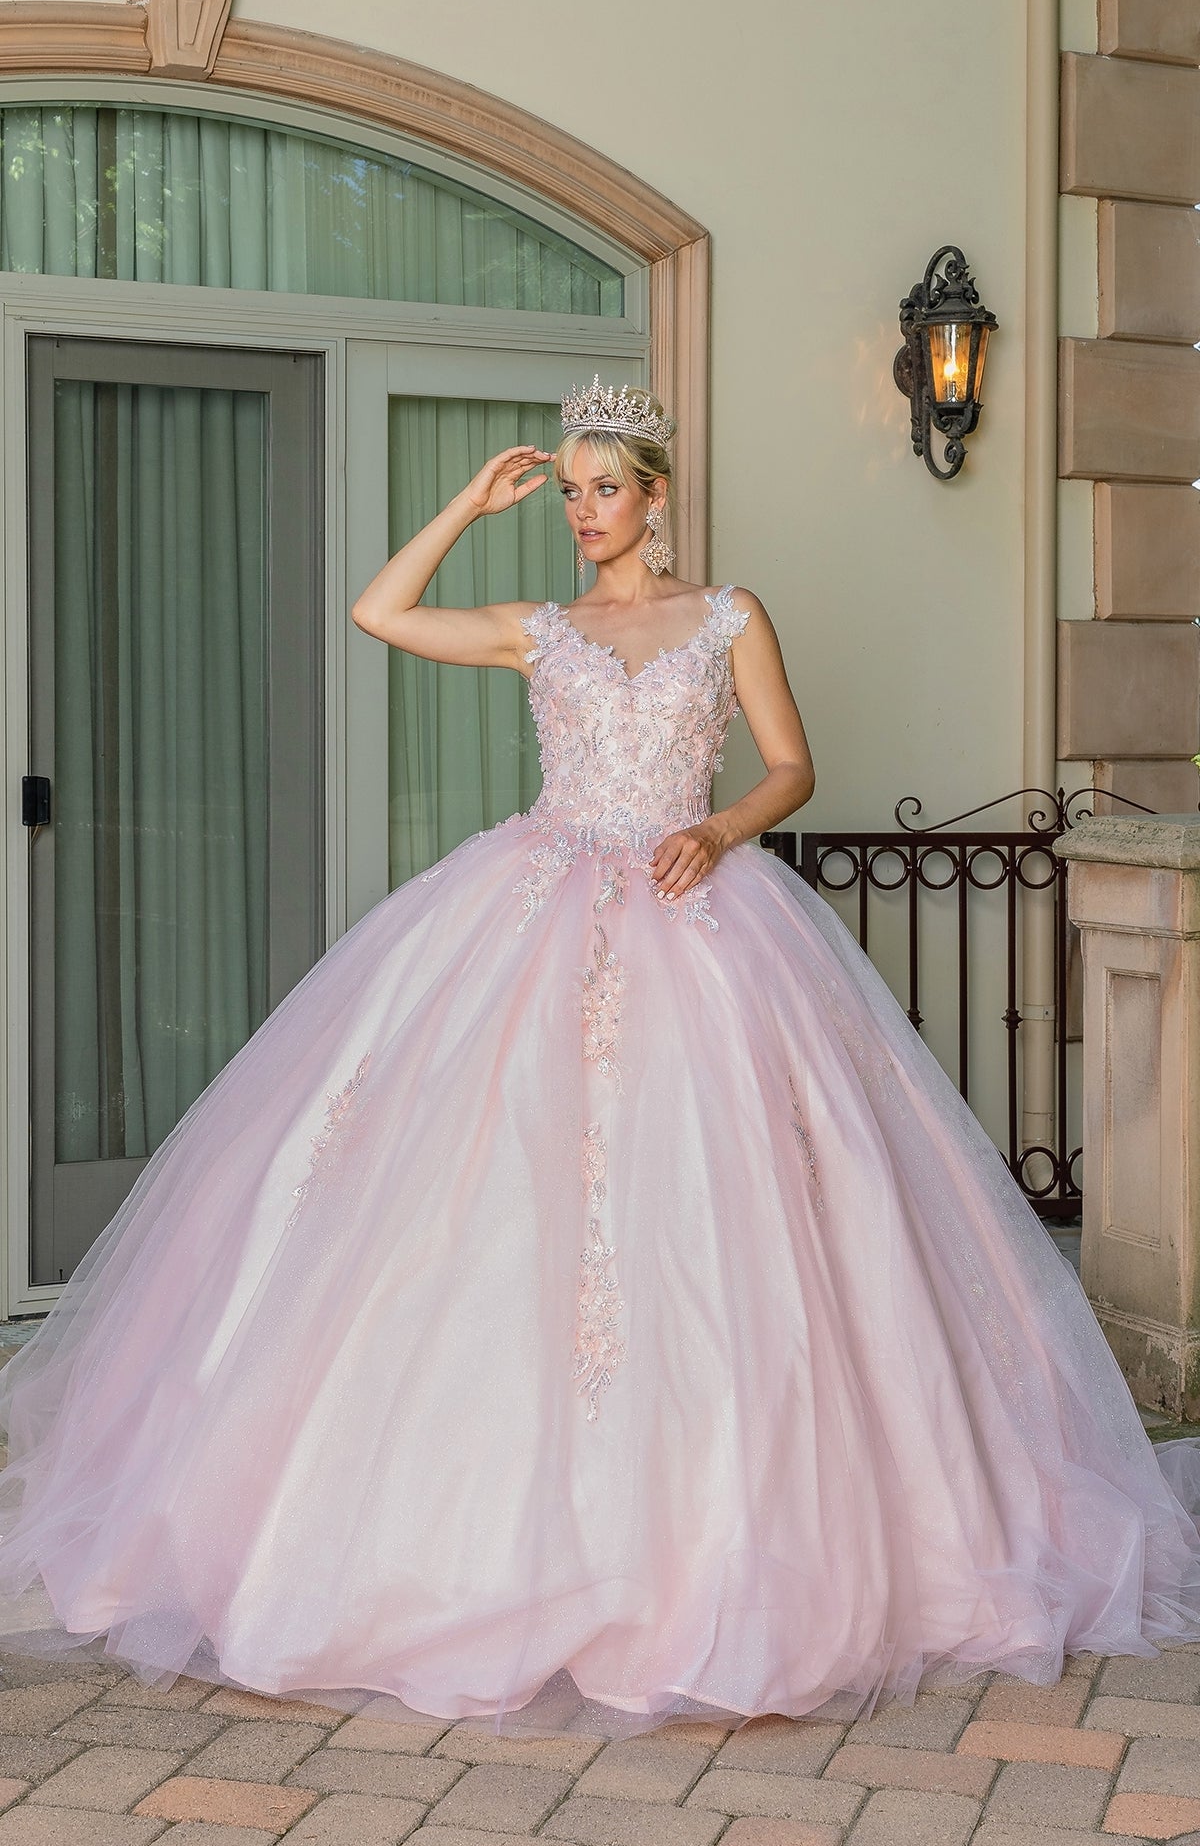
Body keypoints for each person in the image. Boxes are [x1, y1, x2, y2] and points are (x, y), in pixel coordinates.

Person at [0, 377, 1198, 1746]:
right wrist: (466, 501)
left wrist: (726, 827)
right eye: (567, 491)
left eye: (602, 488)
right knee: (483, 1204)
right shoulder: (542, 629)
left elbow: (796, 763)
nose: (581, 512)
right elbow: (377, 613)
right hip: (534, 910)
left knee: (733, 1217)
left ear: (657, 494)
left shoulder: (732, 617)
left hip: (699, 916)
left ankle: (739, 1556)